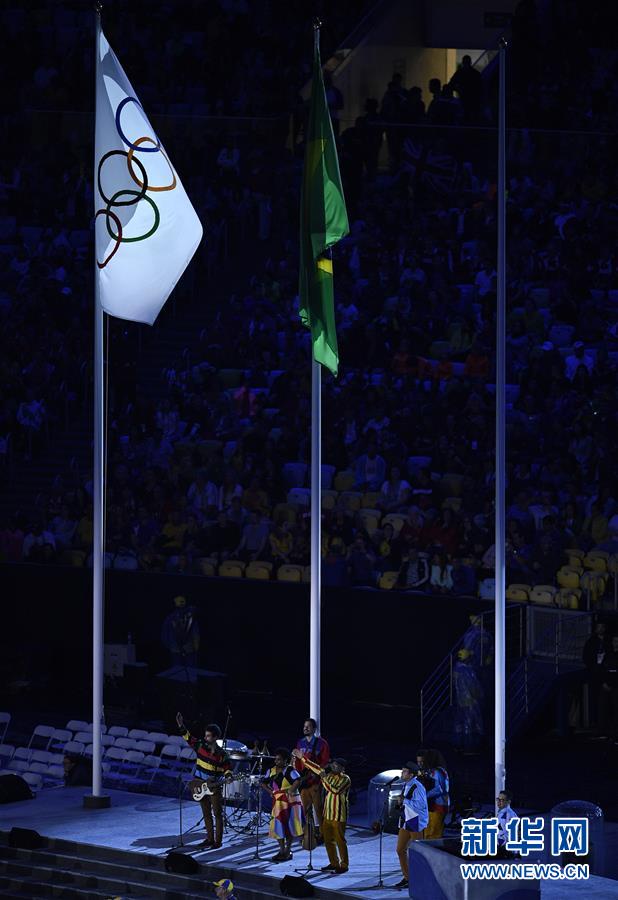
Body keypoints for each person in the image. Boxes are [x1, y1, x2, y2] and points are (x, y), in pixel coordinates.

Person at [176, 712, 232, 850]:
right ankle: (209, 838)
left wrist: (229, 776)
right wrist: (180, 724)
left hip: (214, 787)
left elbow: (228, 769)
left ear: (216, 737)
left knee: (217, 814)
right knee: (206, 814)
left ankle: (217, 842)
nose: (205, 738)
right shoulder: (200, 745)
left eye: (208, 736)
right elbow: (188, 737)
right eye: (205, 735)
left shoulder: (222, 755)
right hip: (199, 784)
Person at [292, 750, 350, 874]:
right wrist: (303, 759)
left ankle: (344, 865)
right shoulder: (329, 776)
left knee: (340, 840)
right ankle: (334, 863)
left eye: (336, 765)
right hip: (328, 814)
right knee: (328, 840)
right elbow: (316, 768)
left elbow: (335, 790)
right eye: (333, 765)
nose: (333, 766)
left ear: (342, 768)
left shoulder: (346, 779)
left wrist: (323, 779)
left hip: (339, 815)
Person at [260, 747, 305, 861]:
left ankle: (288, 850)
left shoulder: (290, 770)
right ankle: (281, 850)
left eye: (279, 760)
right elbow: (263, 783)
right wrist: (271, 792)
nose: (276, 761)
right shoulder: (271, 771)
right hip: (278, 802)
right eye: (276, 759)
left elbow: (298, 780)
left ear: (286, 760)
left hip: (291, 801)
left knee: (289, 826)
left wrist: (291, 790)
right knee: (278, 826)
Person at [294, 717, 330, 838]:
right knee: (305, 809)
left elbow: (324, 762)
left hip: (315, 781)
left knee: (318, 808)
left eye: (308, 726)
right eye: (304, 726)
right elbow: (298, 762)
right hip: (304, 781)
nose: (305, 728)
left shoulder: (322, 743)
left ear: (314, 729)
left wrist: (317, 773)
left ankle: (323, 835)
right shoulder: (300, 742)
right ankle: (308, 834)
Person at [395, 762, 428, 889]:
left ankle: (420, 878)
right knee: (400, 849)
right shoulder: (406, 785)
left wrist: (404, 800)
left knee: (417, 853)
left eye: (404, 771)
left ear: (411, 774)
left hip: (415, 821)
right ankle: (408, 877)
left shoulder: (418, 787)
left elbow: (420, 806)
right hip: (406, 820)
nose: (402, 773)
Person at [417, 749, 449, 839]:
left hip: (438, 806)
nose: (422, 764)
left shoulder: (438, 772)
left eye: (424, 761)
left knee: (433, 834)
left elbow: (441, 789)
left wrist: (425, 795)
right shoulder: (432, 771)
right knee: (428, 833)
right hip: (431, 806)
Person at [161, 596, 200, 668]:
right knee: (186, 671)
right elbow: (195, 634)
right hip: (182, 650)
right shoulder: (170, 618)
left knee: (179, 671)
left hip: (182, 650)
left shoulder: (169, 618)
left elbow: (164, 636)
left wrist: (169, 646)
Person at [496, 789, 518, 855]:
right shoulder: (501, 813)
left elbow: (511, 835)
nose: (499, 802)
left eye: (502, 800)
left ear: (508, 802)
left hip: (506, 851)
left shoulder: (509, 814)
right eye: (498, 799)